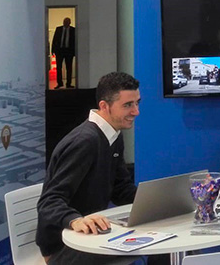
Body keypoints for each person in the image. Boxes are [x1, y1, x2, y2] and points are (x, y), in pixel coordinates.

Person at [36, 72, 141, 264]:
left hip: (92, 236)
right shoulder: (85, 142)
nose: (136, 112)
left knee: (159, 240)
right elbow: (49, 202)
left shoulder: (113, 135)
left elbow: (120, 189)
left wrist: (153, 203)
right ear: (104, 106)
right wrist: (75, 220)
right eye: (128, 105)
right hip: (64, 246)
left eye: (137, 103)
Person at [51, 17, 76, 88]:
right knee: (59, 68)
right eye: (64, 22)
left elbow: (75, 41)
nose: (65, 23)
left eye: (67, 22)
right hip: (60, 51)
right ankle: (59, 83)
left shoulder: (73, 30)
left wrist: (75, 52)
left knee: (69, 68)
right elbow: (54, 40)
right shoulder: (58, 29)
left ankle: (68, 84)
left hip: (69, 51)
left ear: (70, 23)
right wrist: (53, 50)